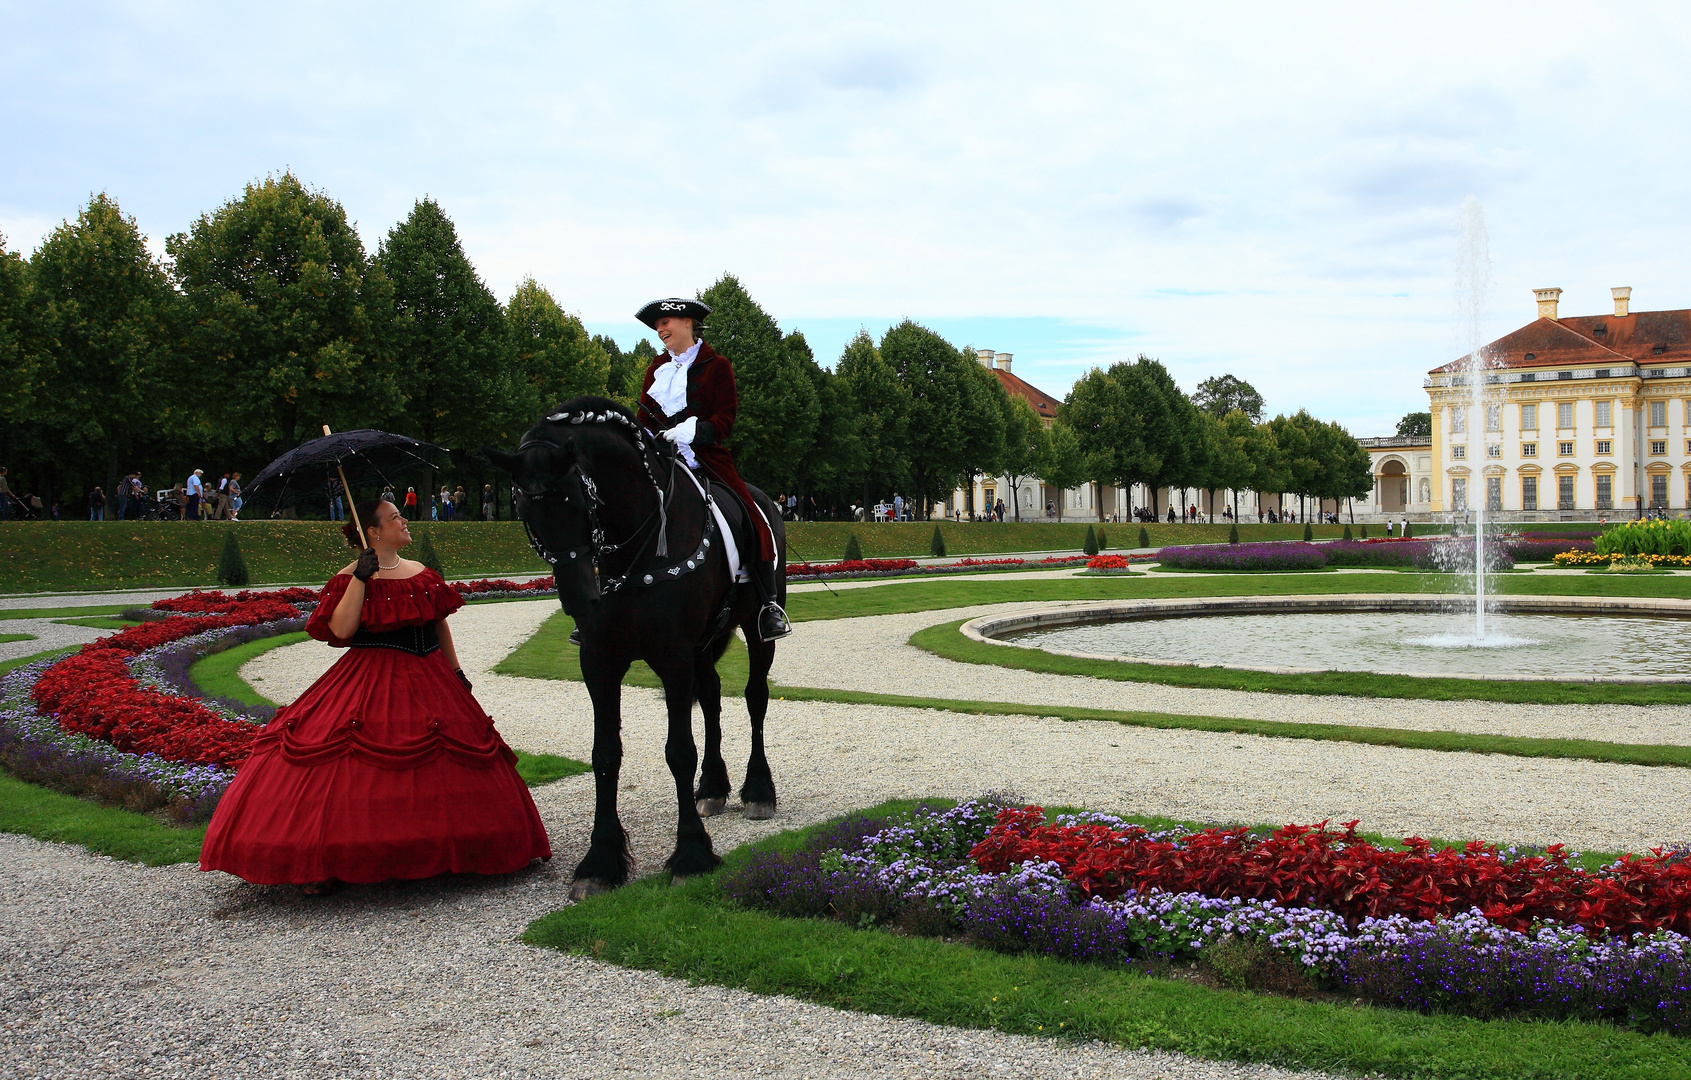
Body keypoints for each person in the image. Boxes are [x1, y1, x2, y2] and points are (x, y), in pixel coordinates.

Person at [200, 497, 550, 891]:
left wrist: (457, 671)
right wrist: (360, 579)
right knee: (352, 762)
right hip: (372, 676)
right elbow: (343, 631)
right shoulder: (350, 576)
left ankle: (462, 849)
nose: (403, 521)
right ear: (373, 531)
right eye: (394, 517)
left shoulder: (421, 573)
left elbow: (439, 627)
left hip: (432, 675)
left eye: (400, 514)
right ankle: (337, 858)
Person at [634, 297, 790, 641]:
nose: (660, 329)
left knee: (754, 516)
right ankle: (604, 604)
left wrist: (692, 431)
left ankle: (768, 605)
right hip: (662, 460)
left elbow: (726, 419)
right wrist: (648, 436)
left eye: (666, 322)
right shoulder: (654, 370)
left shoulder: (717, 365)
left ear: (688, 323)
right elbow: (643, 419)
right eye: (657, 324)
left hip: (705, 458)